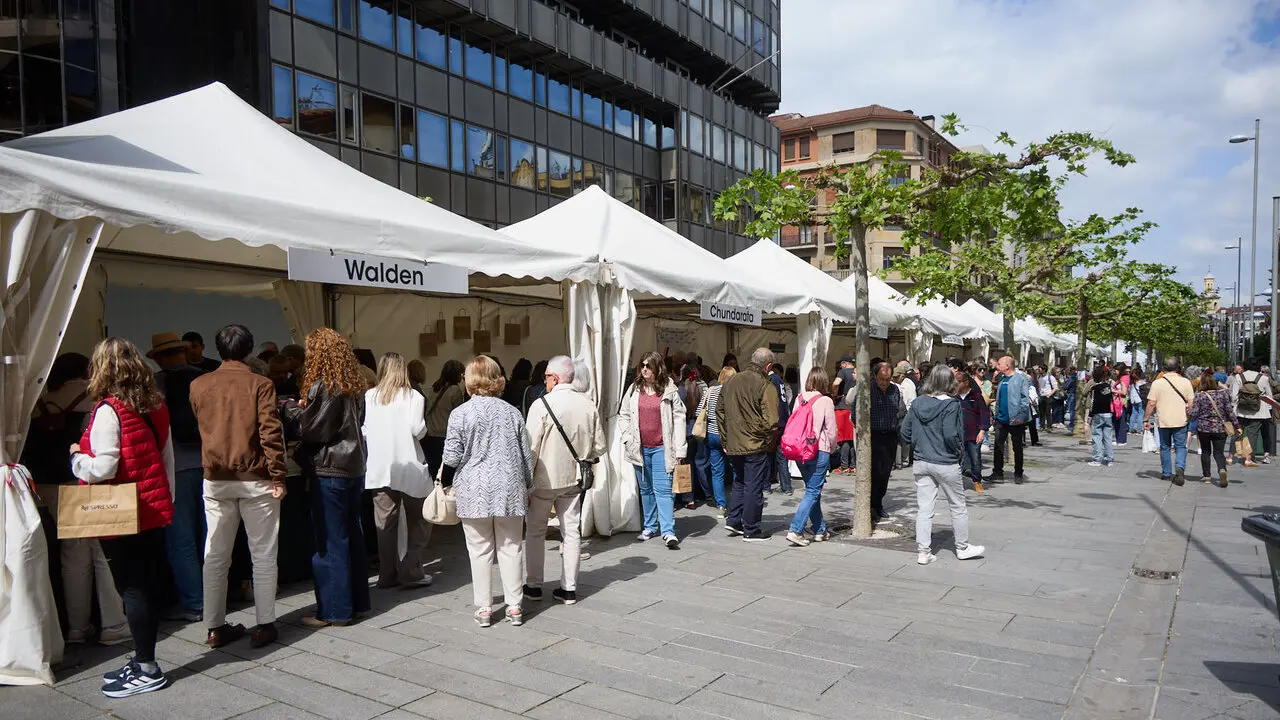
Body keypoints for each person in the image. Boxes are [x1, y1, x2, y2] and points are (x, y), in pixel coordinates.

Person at [71, 338, 176, 697]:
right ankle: (143, 659)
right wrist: (167, 502)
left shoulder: (107, 410)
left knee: (132, 589)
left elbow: (103, 466)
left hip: (121, 513)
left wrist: (75, 458)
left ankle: (147, 666)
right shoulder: (155, 404)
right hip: (150, 507)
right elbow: (166, 458)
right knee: (143, 587)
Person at [189, 324, 288, 648]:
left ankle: (214, 626)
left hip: (216, 478)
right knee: (262, 554)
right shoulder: (260, 384)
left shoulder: (199, 385)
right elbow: (270, 433)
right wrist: (278, 475)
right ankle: (265, 624)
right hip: (256, 478)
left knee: (215, 555)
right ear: (248, 349)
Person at [26, 353, 129, 646]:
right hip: (82, 479)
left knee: (72, 554)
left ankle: (76, 627)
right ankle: (114, 624)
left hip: (48, 484)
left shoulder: (39, 399)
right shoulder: (93, 397)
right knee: (102, 552)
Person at [281, 328, 370, 628]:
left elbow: (311, 429)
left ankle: (335, 610)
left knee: (330, 541)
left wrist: (290, 408)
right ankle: (356, 603)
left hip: (330, 469)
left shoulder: (326, 386)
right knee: (351, 536)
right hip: (353, 467)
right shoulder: (353, 385)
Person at [441, 356, 532, 627]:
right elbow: (525, 454)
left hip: (473, 489)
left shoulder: (460, 414)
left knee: (479, 550)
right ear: (497, 379)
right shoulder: (512, 412)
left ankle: (484, 608)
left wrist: (445, 481)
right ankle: (514, 606)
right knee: (511, 547)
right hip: (509, 487)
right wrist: (528, 483)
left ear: (469, 381)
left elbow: (452, 455)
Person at [523, 356, 605, 605]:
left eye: (546, 376)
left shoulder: (541, 405)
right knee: (571, 533)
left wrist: (525, 481)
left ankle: (534, 585)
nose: (544, 380)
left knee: (535, 532)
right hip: (574, 478)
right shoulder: (588, 404)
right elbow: (599, 446)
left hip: (544, 480)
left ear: (555, 378)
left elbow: (530, 448)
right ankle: (568, 588)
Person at [149, 332, 208, 623]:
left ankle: (195, 602)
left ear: (159, 357)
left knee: (180, 539)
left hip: (175, 467)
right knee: (209, 534)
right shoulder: (205, 378)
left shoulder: (155, 385)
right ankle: (216, 594)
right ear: (184, 352)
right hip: (210, 464)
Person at [901, 365, 985, 566]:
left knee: (924, 508)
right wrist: (957, 451)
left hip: (922, 461)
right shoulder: (952, 404)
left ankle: (923, 552)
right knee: (957, 505)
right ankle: (962, 547)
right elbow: (950, 434)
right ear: (950, 383)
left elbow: (905, 432)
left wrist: (920, 443)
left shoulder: (919, 402)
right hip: (946, 461)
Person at [362, 352, 433, 589]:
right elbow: (417, 429)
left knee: (385, 525)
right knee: (421, 520)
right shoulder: (413, 396)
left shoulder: (370, 396)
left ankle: (387, 574)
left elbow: (364, 430)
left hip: (380, 467)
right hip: (409, 465)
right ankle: (410, 568)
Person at [620, 352, 686, 548]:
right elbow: (623, 414)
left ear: (658, 368)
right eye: (642, 365)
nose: (645, 369)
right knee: (646, 489)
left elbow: (679, 419)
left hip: (662, 448)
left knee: (663, 490)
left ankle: (668, 531)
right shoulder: (634, 389)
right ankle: (649, 526)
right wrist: (626, 437)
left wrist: (680, 450)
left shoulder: (669, 390)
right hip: (639, 448)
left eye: (649, 365)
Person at [717, 348, 779, 542]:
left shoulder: (730, 381)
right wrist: (767, 441)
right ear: (768, 366)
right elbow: (772, 421)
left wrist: (726, 439)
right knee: (753, 485)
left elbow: (720, 411)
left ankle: (735, 520)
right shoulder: (765, 384)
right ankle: (751, 529)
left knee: (740, 481)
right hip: (755, 444)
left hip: (735, 442)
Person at [785, 367, 836, 547]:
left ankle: (819, 529)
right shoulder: (826, 401)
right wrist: (832, 449)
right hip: (818, 449)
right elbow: (831, 431)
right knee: (813, 491)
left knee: (812, 491)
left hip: (800, 451)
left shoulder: (800, 398)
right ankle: (795, 529)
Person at [864, 362, 906, 520]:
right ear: (875, 376)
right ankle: (871, 505)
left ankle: (878, 503)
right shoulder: (867, 389)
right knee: (874, 471)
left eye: (887, 379)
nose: (884, 383)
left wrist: (897, 422)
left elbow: (901, 409)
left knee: (885, 472)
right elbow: (856, 414)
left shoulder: (895, 389)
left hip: (890, 435)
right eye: (882, 379)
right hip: (872, 436)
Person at [1143, 356, 1194, 485]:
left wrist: (1146, 419)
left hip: (1163, 420)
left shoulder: (1157, 383)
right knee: (1180, 446)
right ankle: (1180, 467)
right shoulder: (1186, 382)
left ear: (1164, 368)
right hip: (1181, 419)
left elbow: (1151, 403)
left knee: (1165, 446)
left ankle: (1166, 473)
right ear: (1178, 368)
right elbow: (1191, 403)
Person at [987, 356, 1032, 484]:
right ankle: (997, 472)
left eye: (999, 363)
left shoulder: (1020, 378)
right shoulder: (1002, 379)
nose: (997, 365)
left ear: (1007, 366)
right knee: (998, 446)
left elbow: (1024, 399)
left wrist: (1021, 417)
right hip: (1001, 419)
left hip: (1015, 419)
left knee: (1017, 447)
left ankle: (1018, 473)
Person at [695, 367, 734, 514]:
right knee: (736, 469)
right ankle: (737, 502)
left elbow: (699, 412)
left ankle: (721, 505)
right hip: (729, 436)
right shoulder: (733, 392)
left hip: (711, 434)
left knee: (717, 472)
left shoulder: (710, 391)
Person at [1189, 369, 1236, 488]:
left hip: (1204, 428)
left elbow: (1194, 414)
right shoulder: (1223, 394)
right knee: (1219, 452)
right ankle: (1222, 469)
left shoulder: (1200, 396)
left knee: (1205, 452)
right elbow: (1229, 412)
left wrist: (1187, 411)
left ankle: (1207, 476)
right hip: (1220, 428)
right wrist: (1237, 425)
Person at [424, 360, 467, 478]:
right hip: (444, 434)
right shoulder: (455, 391)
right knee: (445, 473)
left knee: (433, 472)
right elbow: (459, 414)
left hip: (431, 434)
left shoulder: (434, 387)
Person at [1230, 359, 1273, 467]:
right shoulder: (1263, 378)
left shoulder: (1239, 377)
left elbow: (1234, 395)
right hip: (1258, 411)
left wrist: (1234, 406)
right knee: (1252, 435)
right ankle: (1248, 459)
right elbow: (1269, 396)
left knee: (1237, 433)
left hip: (1241, 410)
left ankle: (1230, 457)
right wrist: (1269, 408)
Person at [677, 364, 709, 508]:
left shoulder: (680, 391)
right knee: (701, 463)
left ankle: (688, 498)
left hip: (686, 431)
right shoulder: (701, 389)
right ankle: (706, 493)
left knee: (686, 465)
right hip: (700, 429)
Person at [956, 367, 989, 493]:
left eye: (958, 382)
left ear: (966, 382)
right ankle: (956, 482)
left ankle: (977, 481)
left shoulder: (976, 396)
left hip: (973, 433)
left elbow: (984, 414)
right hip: (958, 434)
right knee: (957, 459)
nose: (955, 385)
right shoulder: (953, 397)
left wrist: (982, 431)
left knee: (975, 459)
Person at [767, 362, 793, 494]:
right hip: (783, 421)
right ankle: (786, 486)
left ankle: (765, 486)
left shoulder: (770, 380)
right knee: (782, 456)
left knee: (767, 455)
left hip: (774, 422)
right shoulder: (779, 380)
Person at [830, 355, 856, 474]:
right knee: (851, 438)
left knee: (844, 438)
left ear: (845, 363)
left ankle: (844, 465)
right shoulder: (857, 372)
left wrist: (834, 392)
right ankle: (853, 465)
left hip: (842, 407)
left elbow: (836, 383)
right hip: (853, 407)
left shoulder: (843, 371)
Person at [1086, 366, 1115, 467]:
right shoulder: (1108, 386)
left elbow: (1094, 403)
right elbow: (1110, 400)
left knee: (1097, 437)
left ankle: (1097, 459)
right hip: (1108, 414)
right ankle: (1110, 459)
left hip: (1098, 414)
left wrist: (1090, 416)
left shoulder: (1094, 388)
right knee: (1108, 437)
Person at [894, 363, 917, 469]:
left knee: (903, 438)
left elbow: (909, 401)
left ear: (902, 376)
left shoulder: (906, 385)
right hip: (904, 413)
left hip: (906, 413)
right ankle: (903, 460)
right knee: (901, 438)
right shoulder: (906, 383)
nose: (894, 379)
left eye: (896, 377)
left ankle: (904, 460)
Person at [1112, 364, 1131, 447]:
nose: (1114, 372)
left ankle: (1122, 440)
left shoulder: (1124, 379)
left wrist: (1114, 391)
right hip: (1117, 401)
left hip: (1121, 402)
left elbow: (1124, 392)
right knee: (1117, 420)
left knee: (1121, 421)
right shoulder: (1121, 378)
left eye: (1115, 370)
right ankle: (1118, 439)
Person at [1037, 366, 1058, 431]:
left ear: (1044, 370)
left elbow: (1055, 387)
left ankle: (1049, 426)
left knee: (1048, 412)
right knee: (1041, 412)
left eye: (1039, 369)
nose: (1038, 371)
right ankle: (1042, 426)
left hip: (1048, 396)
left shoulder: (1050, 377)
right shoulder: (1039, 377)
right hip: (1041, 396)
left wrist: (1049, 395)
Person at [1129, 366, 1148, 436]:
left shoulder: (1131, 383)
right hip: (1140, 399)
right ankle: (1139, 429)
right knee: (1141, 414)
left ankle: (1131, 429)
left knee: (1133, 413)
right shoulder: (1141, 382)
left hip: (1133, 400)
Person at [1063, 366, 1078, 434]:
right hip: (1076, 394)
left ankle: (1071, 424)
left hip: (1071, 394)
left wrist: (1064, 384)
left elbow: (1066, 387)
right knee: (1075, 410)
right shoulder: (1078, 377)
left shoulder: (1072, 378)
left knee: (1072, 410)